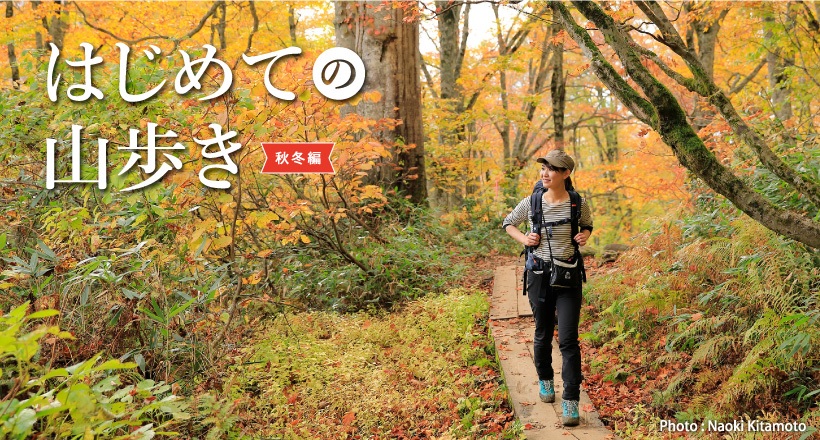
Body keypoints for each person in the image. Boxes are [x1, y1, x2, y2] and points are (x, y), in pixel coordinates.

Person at [501, 149, 593, 426]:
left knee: (567, 340)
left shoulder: (578, 202)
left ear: (566, 174)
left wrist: (585, 234)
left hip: (568, 279)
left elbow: (588, 225)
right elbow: (508, 223)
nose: (545, 173)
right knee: (542, 335)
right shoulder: (532, 202)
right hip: (539, 276)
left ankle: (571, 401)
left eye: (551, 169)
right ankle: (545, 382)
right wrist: (524, 239)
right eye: (543, 168)